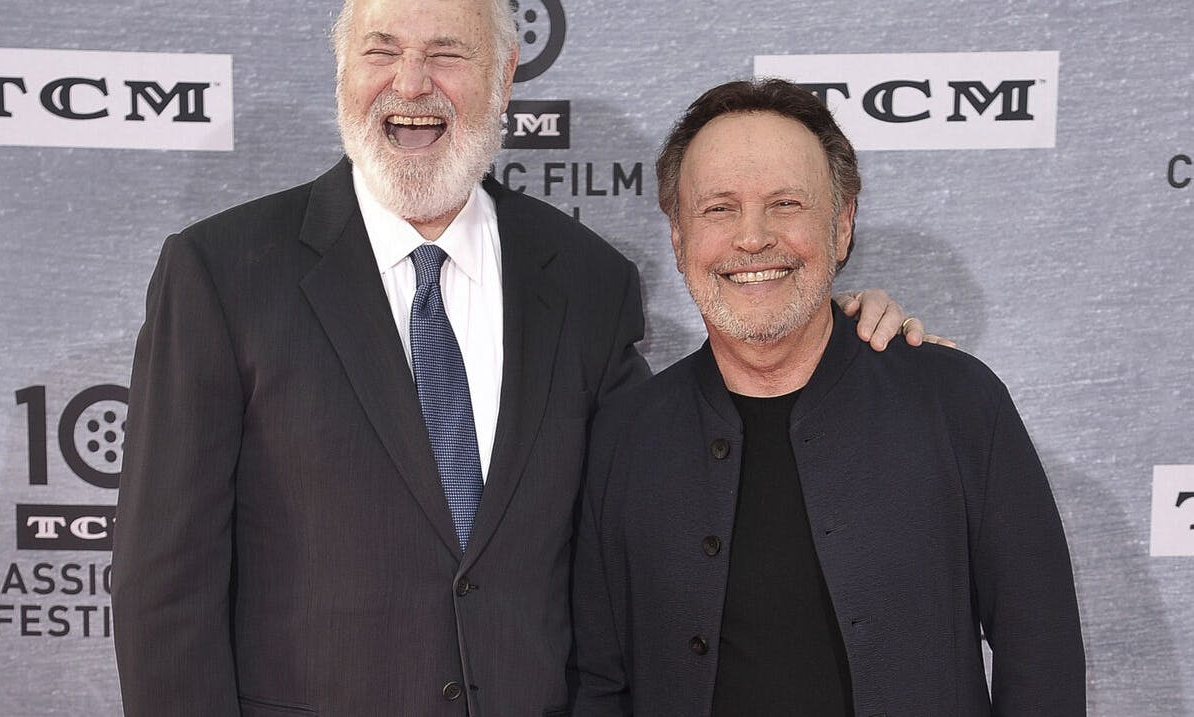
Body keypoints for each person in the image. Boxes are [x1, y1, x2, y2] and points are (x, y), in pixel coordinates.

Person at [110, 1, 925, 713]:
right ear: (342, 71)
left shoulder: (586, 280)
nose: (410, 83)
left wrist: (837, 339)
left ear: (503, 77)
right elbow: (164, 588)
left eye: (447, 53)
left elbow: (673, 463)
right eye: (381, 50)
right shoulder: (222, 275)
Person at [572, 78, 1085, 716]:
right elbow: (599, 683)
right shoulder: (625, 438)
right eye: (719, 209)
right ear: (678, 239)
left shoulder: (957, 404)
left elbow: (1042, 657)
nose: (752, 238)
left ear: (841, 227)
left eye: (786, 204)